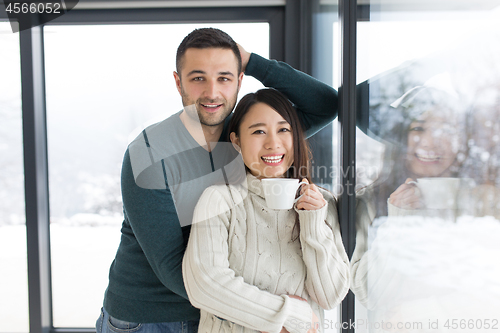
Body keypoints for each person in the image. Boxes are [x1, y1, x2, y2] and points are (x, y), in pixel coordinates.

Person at [96, 27, 339, 333]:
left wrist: (251, 61)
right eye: (198, 78)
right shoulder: (149, 153)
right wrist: (269, 311)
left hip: (224, 311)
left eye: (224, 77)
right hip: (151, 317)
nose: (212, 92)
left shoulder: (249, 136)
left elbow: (326, 105)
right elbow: (173, 267)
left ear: (239, 81)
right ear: (178, 82)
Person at [182, 88, 350, 333]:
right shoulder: (219, 199)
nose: (273, 143)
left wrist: (313, 223)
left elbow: (330, 296)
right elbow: (204, 285)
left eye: (284, 130)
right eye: (259, 131)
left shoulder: (321, 202)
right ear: (236, 141)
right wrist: (291, 315)